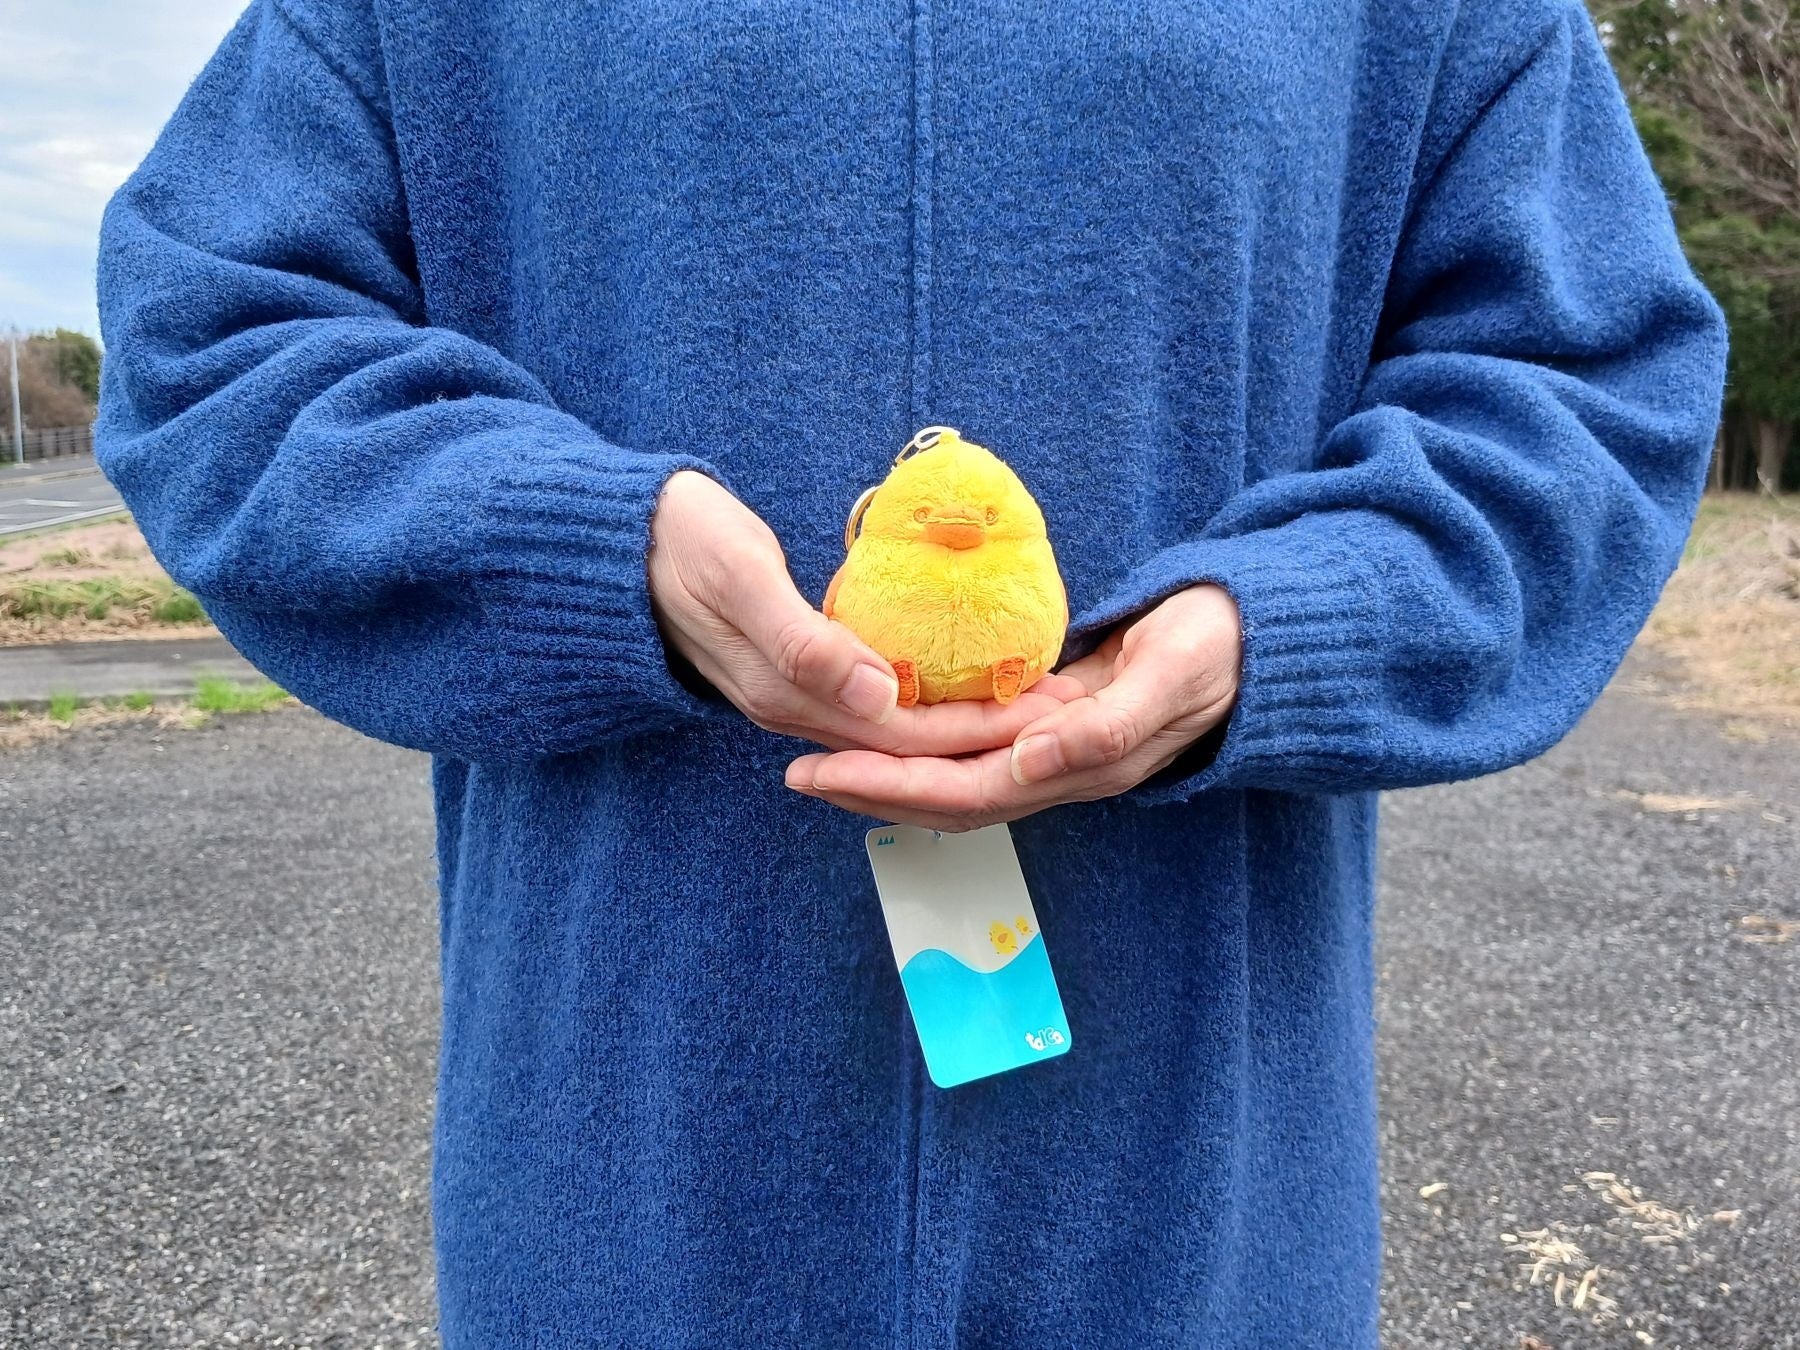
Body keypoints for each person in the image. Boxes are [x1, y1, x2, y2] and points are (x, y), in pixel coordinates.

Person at [94, 0, 1726, 1343]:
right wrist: (588, 546)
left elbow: (1589, 384)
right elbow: (212, 336)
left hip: (1198, 1233)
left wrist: (1275, 625)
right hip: (624, 1221)